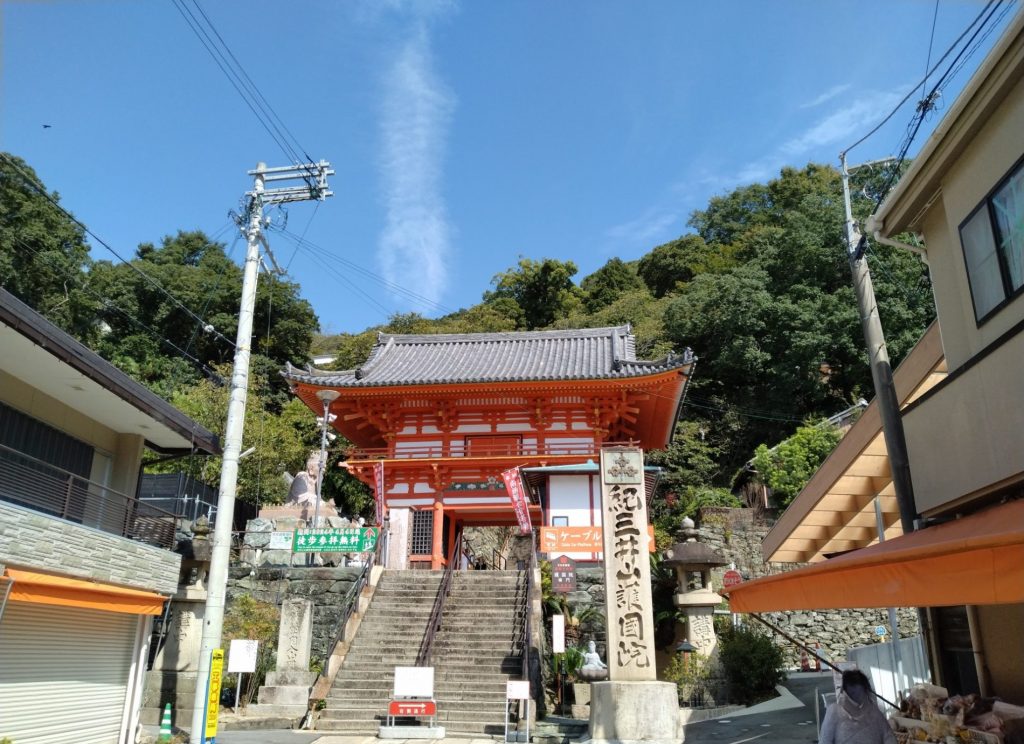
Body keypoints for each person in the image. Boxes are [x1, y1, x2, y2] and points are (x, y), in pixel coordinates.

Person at [820, 670, 897, 744]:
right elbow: (825, 741)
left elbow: (888, 736)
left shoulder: (873, 711)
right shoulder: (834, 712)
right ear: (845, 691)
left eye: (860, 692)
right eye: (853, 693)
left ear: (865, 690)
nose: (857, 696)